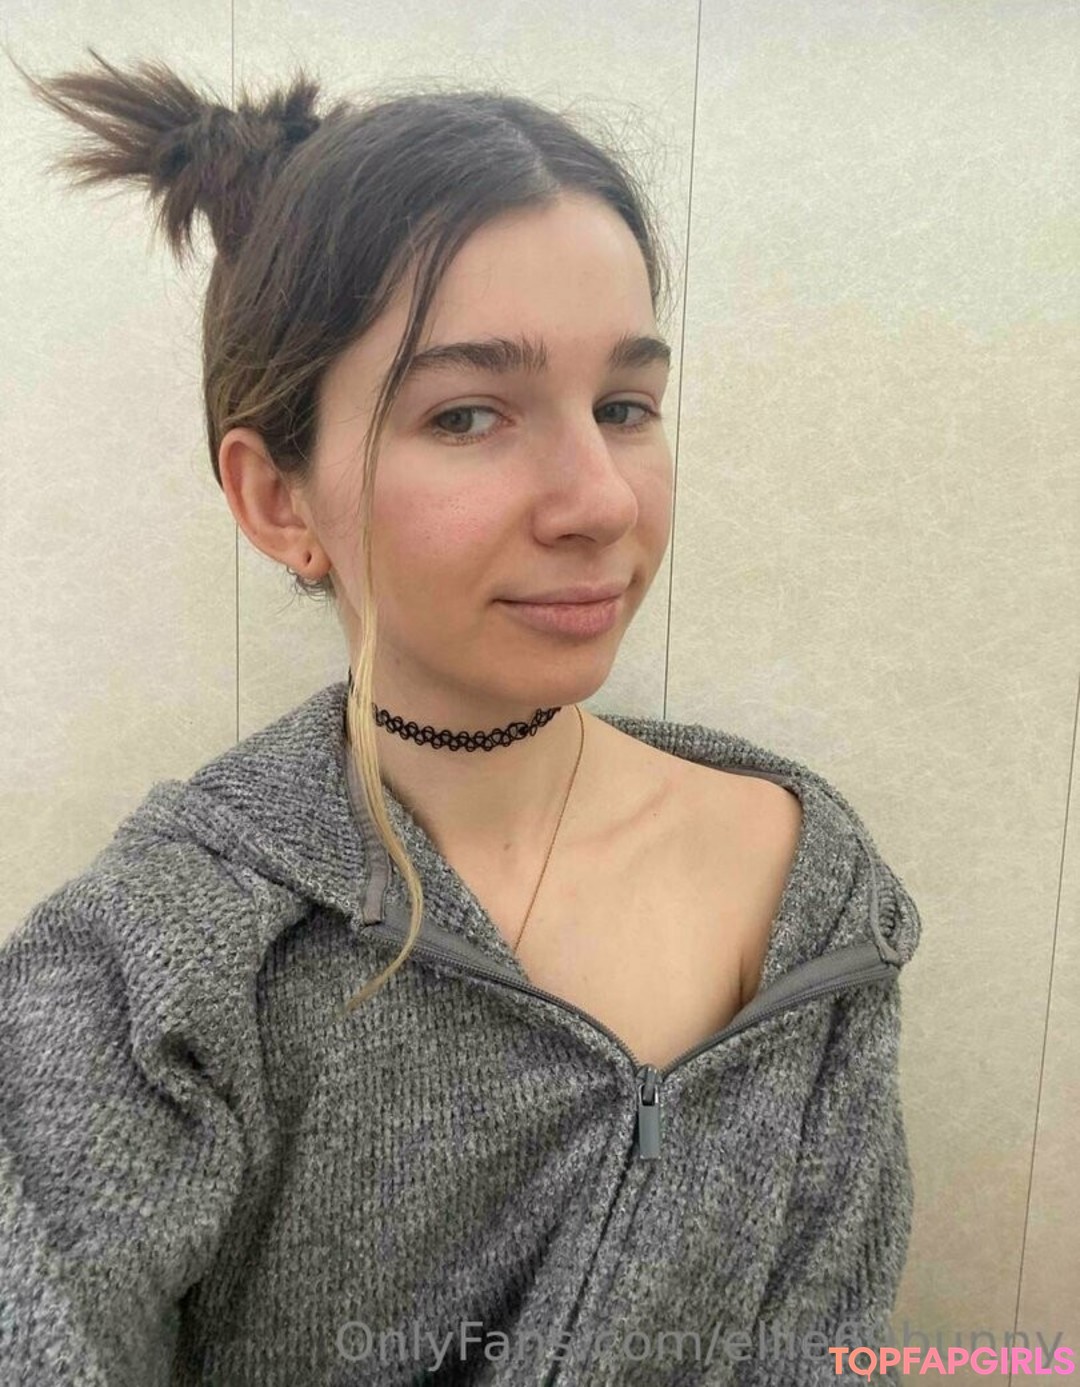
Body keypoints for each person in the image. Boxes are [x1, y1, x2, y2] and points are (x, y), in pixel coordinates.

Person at [0, 46, 922, 1387]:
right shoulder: (162, 966)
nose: (600, 499)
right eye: (471, 414)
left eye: (625, 406)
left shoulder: (811, 892)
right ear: (278, 500)